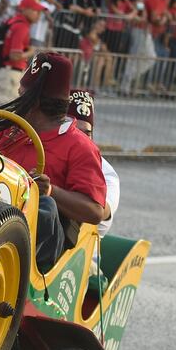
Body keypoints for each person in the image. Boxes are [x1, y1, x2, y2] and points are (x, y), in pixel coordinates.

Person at [0, 54, 107, 270]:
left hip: (38, 244)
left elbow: (95, 211)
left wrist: (50, 190)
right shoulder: (7, 128)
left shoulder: (80, 146)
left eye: (22, 94)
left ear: (33, 101)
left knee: (46, 205)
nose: (17, 97)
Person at [67, 89, 118, 238]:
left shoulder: (107, 172)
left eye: (86, 133)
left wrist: (51, 191)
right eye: (75, 131)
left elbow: (100, 211)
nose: (81, 139)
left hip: (83, 252)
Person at [0, 0, 48, 102]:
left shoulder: (13, 21)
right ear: (25, 10)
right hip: (10, 74)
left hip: (3, 72)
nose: (39, 15)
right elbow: (15, 56)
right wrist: (31, 52)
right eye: (35, 11)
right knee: (5, 113)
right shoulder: (22, 27)